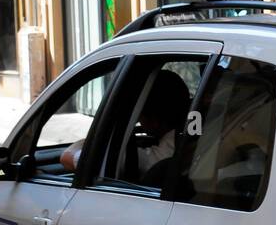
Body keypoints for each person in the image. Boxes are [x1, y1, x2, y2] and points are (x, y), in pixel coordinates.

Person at [59, 70, 192, 181]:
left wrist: (108, 128)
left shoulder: (153, 158)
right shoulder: (195, 139)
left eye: (139, 114)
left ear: (153, 119)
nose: (138, 120)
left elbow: (66, 157)